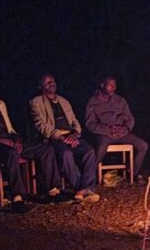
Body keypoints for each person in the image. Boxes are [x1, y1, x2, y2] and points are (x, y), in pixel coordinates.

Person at [0, 75, 63, 211]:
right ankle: (17, 198)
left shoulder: (0, 104)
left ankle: (53, 191)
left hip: (9, 142)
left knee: (45, 148)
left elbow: (10, 129)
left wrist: (16, 139)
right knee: (11, 153)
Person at [30, 74, 99, 202]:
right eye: (48, 83)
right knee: (66, 153)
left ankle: (86, 187)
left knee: (89, 150)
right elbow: (41, 125)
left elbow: (74, 121)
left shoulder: (64, 101)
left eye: (53, 81)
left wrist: (75, 133)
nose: (52, 84)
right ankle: (80, 188)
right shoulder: (36, 102)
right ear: (41, 87)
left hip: (70, 135)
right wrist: (60, 137)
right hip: (54, 138)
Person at [85, 76, 149, 184]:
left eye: (115, 85)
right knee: (101, 147)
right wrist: (107, 129)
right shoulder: (93, 102)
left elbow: (130, 118)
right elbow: (90, 124)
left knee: (143, 145)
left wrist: (125, 129)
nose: (113, 88)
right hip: (105, 133)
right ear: (102, 85)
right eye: (110, 85)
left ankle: (133, 171)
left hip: (121, 132)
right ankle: (88, 176)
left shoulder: (120, 100)